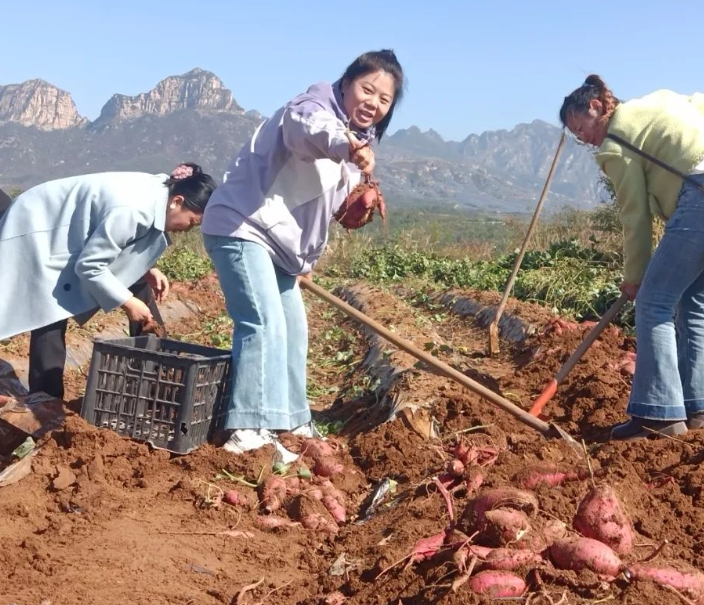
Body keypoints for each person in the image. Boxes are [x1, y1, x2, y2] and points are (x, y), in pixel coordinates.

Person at [201, 49, 406, 458]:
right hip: (244, 226)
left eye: (384, 100)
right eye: (368, 89)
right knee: (262, 323)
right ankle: (248, 430)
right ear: (346, 83)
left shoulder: (356, 145)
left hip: (279, 247)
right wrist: (346, 146)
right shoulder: (312, 108)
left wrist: (352, 202)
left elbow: (320, 205)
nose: (374, 103)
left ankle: (292, 420)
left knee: (294, 329)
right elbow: (308, 130)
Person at [559, 75, 704, 441]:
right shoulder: (663, 100)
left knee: (654, 303)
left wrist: (635, 278)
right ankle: (698, 408)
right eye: (574, 134)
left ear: (597, 107)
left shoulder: (616, 141)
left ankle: (660, 415)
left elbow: (635, 216)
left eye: (580, 126)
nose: (582, 137)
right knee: (695, 300)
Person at [0, 163, 217, 399]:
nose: (187, 230)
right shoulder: (134, 209)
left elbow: (121, 240)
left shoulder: (160, 194)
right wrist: (127, 302)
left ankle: (154, 371)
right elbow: (90, 265)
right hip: (38, 228)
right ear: (177, 201)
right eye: (192, 222)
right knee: (51, 309)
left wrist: (147, 269)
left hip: (68, 234)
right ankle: (45, 399)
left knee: (139, 286)